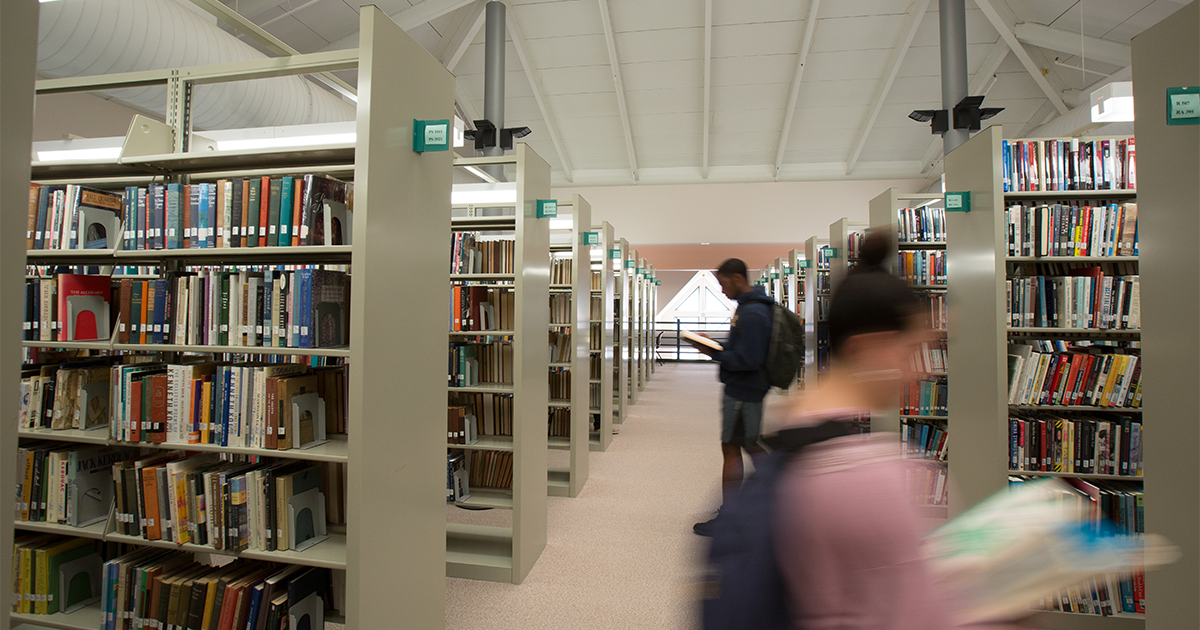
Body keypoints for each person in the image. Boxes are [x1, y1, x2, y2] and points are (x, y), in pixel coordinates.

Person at [770, 230, 955, 628]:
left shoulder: (792, 431)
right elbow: (913, 614)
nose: (919, 372)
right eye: (911, 352)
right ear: (869, 348)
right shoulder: (865, 474)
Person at [689, 258, 773, 537]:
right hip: (744, 389)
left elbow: (749, 359)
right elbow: (742, 348)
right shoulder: (749, 308)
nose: (723, 290)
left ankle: (730, 517)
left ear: (737, 278)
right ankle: (777, 493)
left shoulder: (753, 312)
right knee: (747, 443)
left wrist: (713, 352)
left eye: (723, 283)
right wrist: (714, 345)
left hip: (743, 391)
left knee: (733, 447)